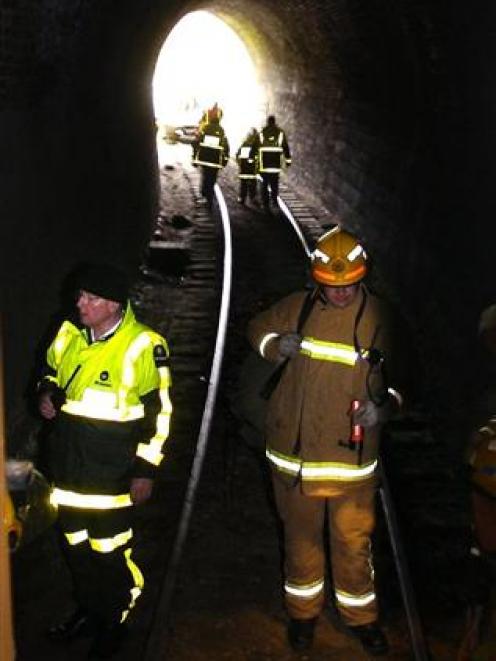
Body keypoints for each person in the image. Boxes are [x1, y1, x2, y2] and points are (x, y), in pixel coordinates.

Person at [247, 227, 401, 656]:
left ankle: (361, 618)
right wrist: (276, 344)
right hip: (294, 459)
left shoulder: (380, 320)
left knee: (353, 545)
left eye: (348, 285)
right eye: (331, 287)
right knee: (301, 541)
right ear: (317, 279)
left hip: (351, 464)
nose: (339, 295)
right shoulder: (297, 308)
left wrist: (385, 406)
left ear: (361, 277)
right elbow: (255, 329)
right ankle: (303, 616)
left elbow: (408, 379)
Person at [37, 262, 172, 659]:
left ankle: (116, 621)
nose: (80, 303)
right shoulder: (68, 334)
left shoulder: (144, 346)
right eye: (80, 295)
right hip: (66, 471)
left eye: (90, 298)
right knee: (76, 547)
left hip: (112, 477)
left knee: (110, 552)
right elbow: (50, 372)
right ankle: (89, 612)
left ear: (113, 304)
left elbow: (160, 415)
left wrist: (146, 470)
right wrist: (47, 393)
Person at [192, 106, 230, 210]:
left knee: (205, 177)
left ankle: (204, 194)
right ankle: (209, 197)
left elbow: (196, 142)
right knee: (212, 179)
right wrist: (225, 160)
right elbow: (225, 146)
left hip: (205, 158)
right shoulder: (221, 130)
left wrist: (194, 158)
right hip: (215, 160)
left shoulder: (205, 128)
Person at [258, 115, 292, 213]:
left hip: (264, 165)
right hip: (275, 165)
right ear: (274, 122)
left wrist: (251, 158)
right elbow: (285, 147)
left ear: (267, 122)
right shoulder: (280, 133)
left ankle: (265, 204)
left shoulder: (262, 132)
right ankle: (274, 201)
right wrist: (288, 160)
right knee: (274, 184)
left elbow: (256, 146)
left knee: (264, 184)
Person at [235, 127, 260, 205]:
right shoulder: (257, 145)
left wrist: (240, 164)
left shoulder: (244, 143)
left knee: (243, 184)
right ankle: (252, 198)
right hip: (252, 168)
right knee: (252, 183)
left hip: (244, 168)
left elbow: (237, 154)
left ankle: (242, 198)